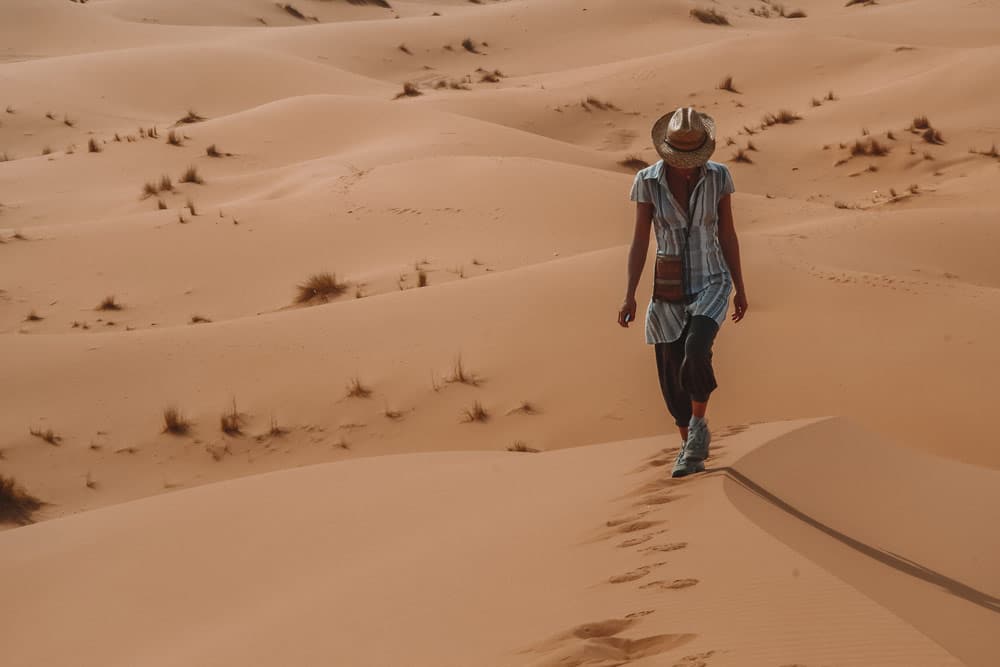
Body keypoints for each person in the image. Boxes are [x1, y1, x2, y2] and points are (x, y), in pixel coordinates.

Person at [617, 107, 748, 478]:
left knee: (695, 350)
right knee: (671, 374)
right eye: (681, 159)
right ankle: (688, 447)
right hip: (668, 289)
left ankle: (699, 428)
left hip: (712, 280)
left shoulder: (719, 177)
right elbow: (640, 240)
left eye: (695, 158)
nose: (689, 166)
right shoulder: (647, 182)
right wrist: (630, 294)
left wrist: (739, 286)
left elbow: (728, 234)